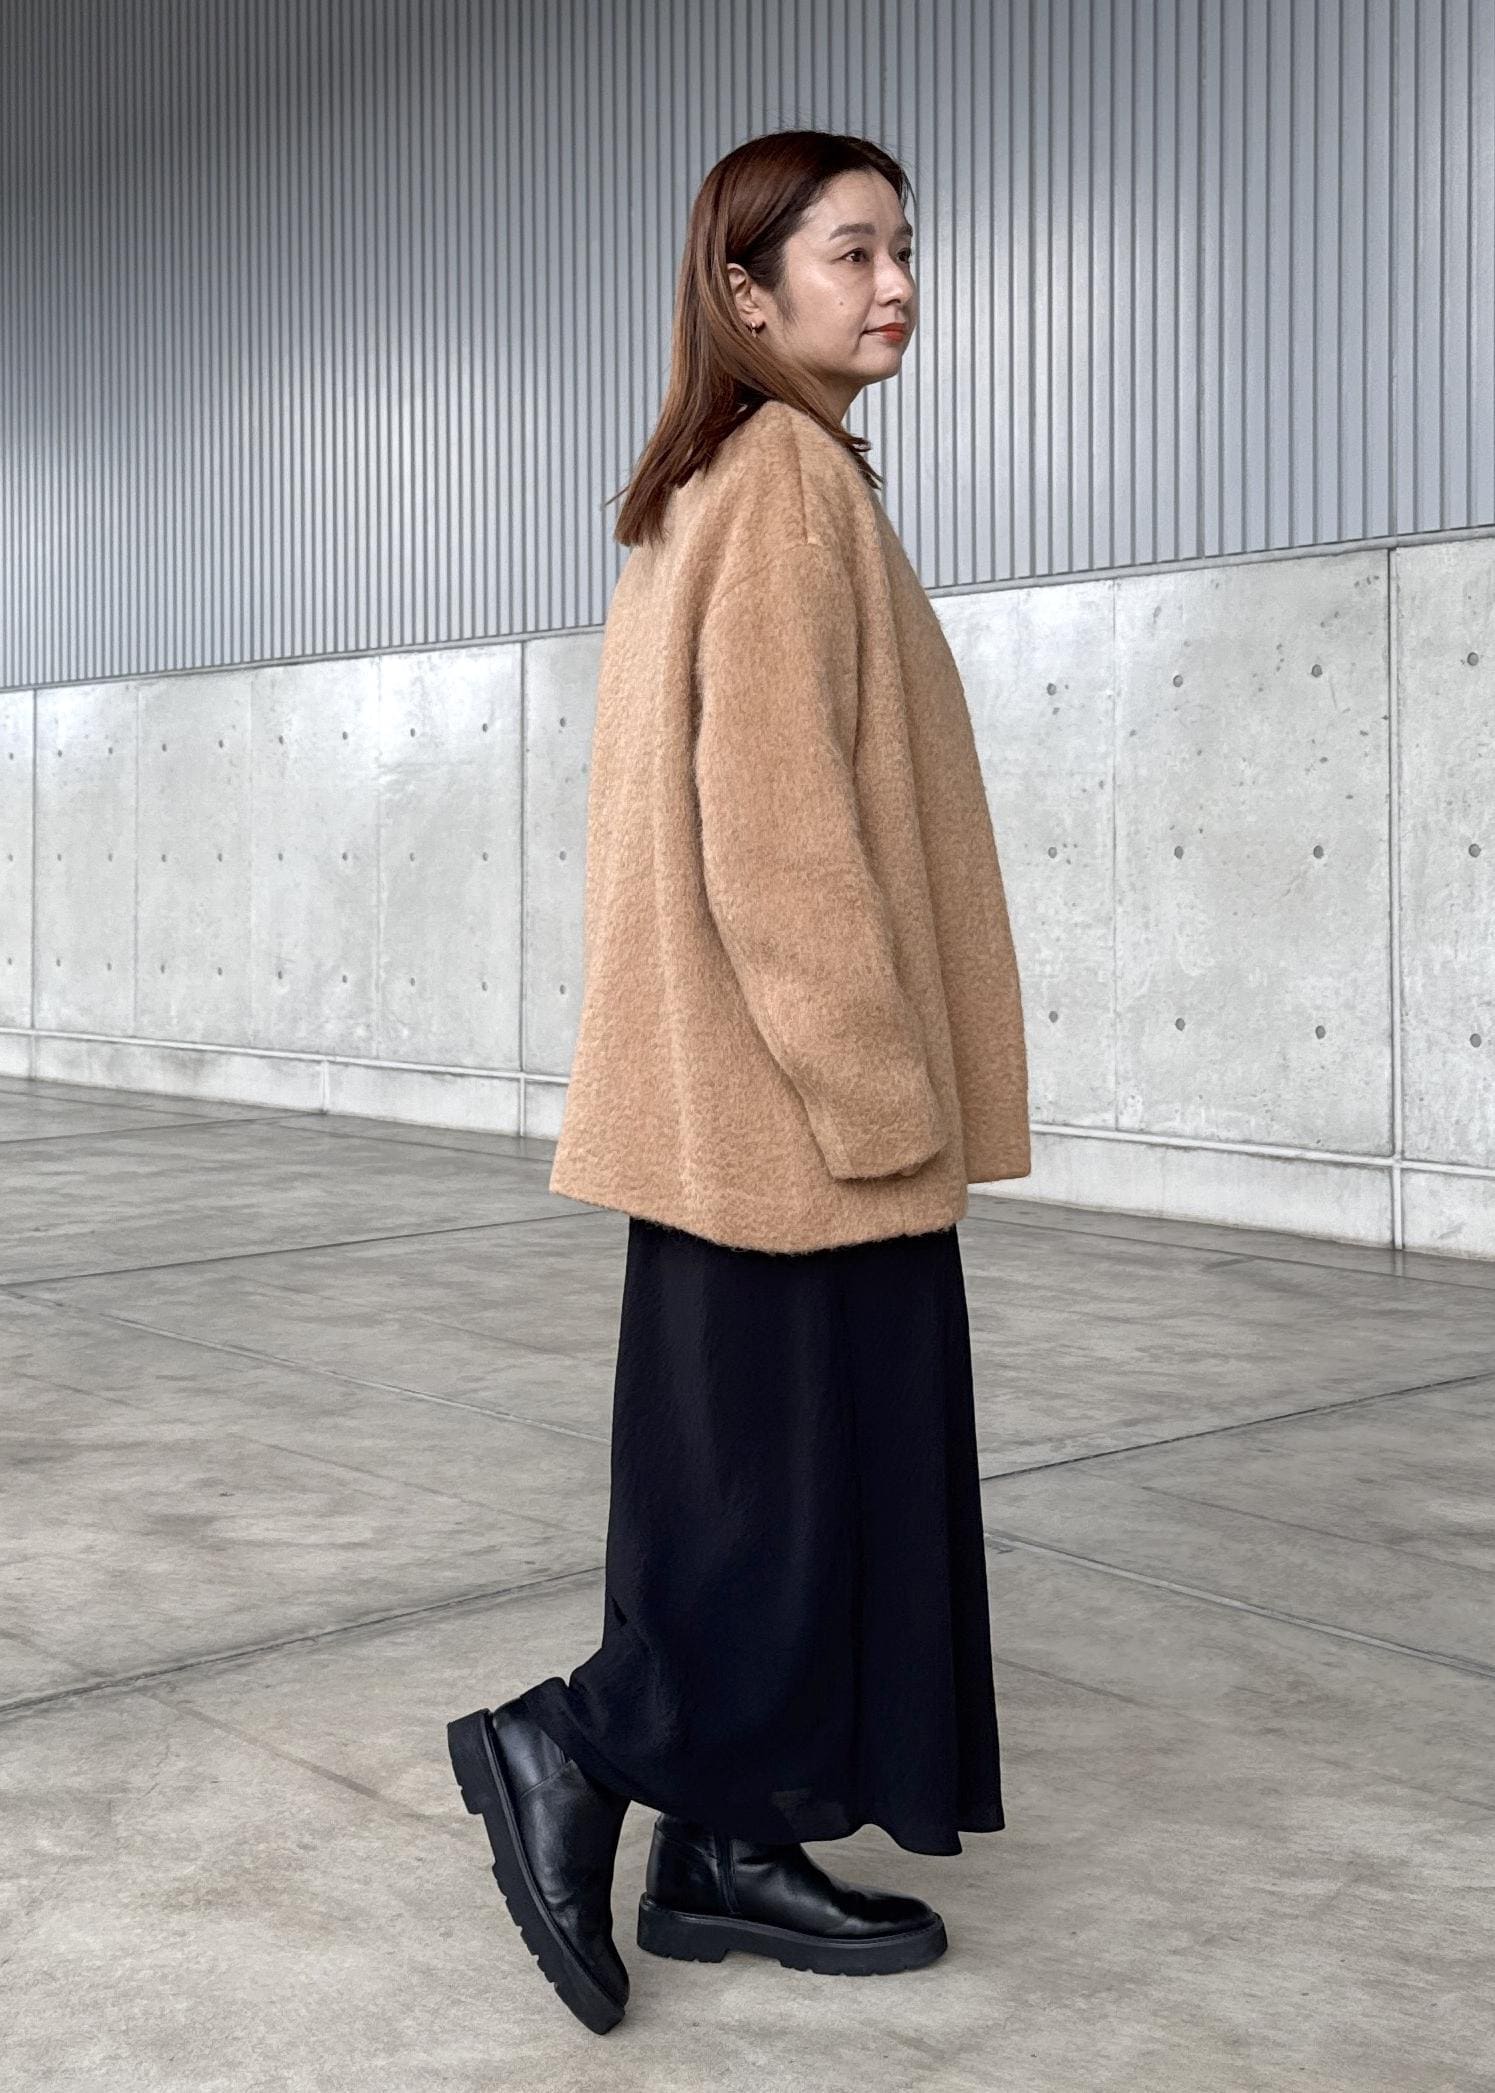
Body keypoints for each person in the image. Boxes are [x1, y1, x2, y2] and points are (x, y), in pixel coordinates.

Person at [446, 128, 1031, 2037]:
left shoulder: (714, 476)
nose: (898, 284)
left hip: (733, 1112)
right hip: (804, 1122)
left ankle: (723, 1846)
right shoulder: (780, 480)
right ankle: (568, 1742)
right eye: (853, 252)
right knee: (791, 1512)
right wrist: (877, 1100)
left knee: (752, 1490)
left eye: (904, 248)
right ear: (743, 288)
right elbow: (775, 841)